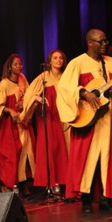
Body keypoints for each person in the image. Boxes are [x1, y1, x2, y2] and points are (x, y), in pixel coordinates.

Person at [57, 29, 112, 213]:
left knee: (108, 159)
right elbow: (64, 88)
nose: (105, 44)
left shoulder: (110, 63)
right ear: (90, 43)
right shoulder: (77, 63)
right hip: (88, 119)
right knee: (88, 159)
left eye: (106, 41)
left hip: (109, 119)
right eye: (101, 41)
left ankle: (106, 197)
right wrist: (83, 92)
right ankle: (86, 199)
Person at [0, 54, 36, 194]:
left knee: (26, 152)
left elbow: (29, 95)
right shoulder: (4, 84)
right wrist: (10, 110)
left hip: (22, 123)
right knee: (11, 154)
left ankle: (23, 182)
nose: (19, 66)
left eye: (20, 64)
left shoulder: (23, 79)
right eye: (16, 64)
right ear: (10, 67)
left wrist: (23, 103)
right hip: (8, 126)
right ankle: (8, 184)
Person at [20, 50, 68, 193]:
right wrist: (38, 98)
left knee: (64, 147)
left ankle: (65, 179)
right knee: (50, 147)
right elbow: (30, 94)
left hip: (64, 116)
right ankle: (52, 182)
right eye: (55, 58)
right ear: (50, 61)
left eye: (60, 58)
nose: (58, 60)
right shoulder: (44, 77)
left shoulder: (66, 77)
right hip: (48, 116)